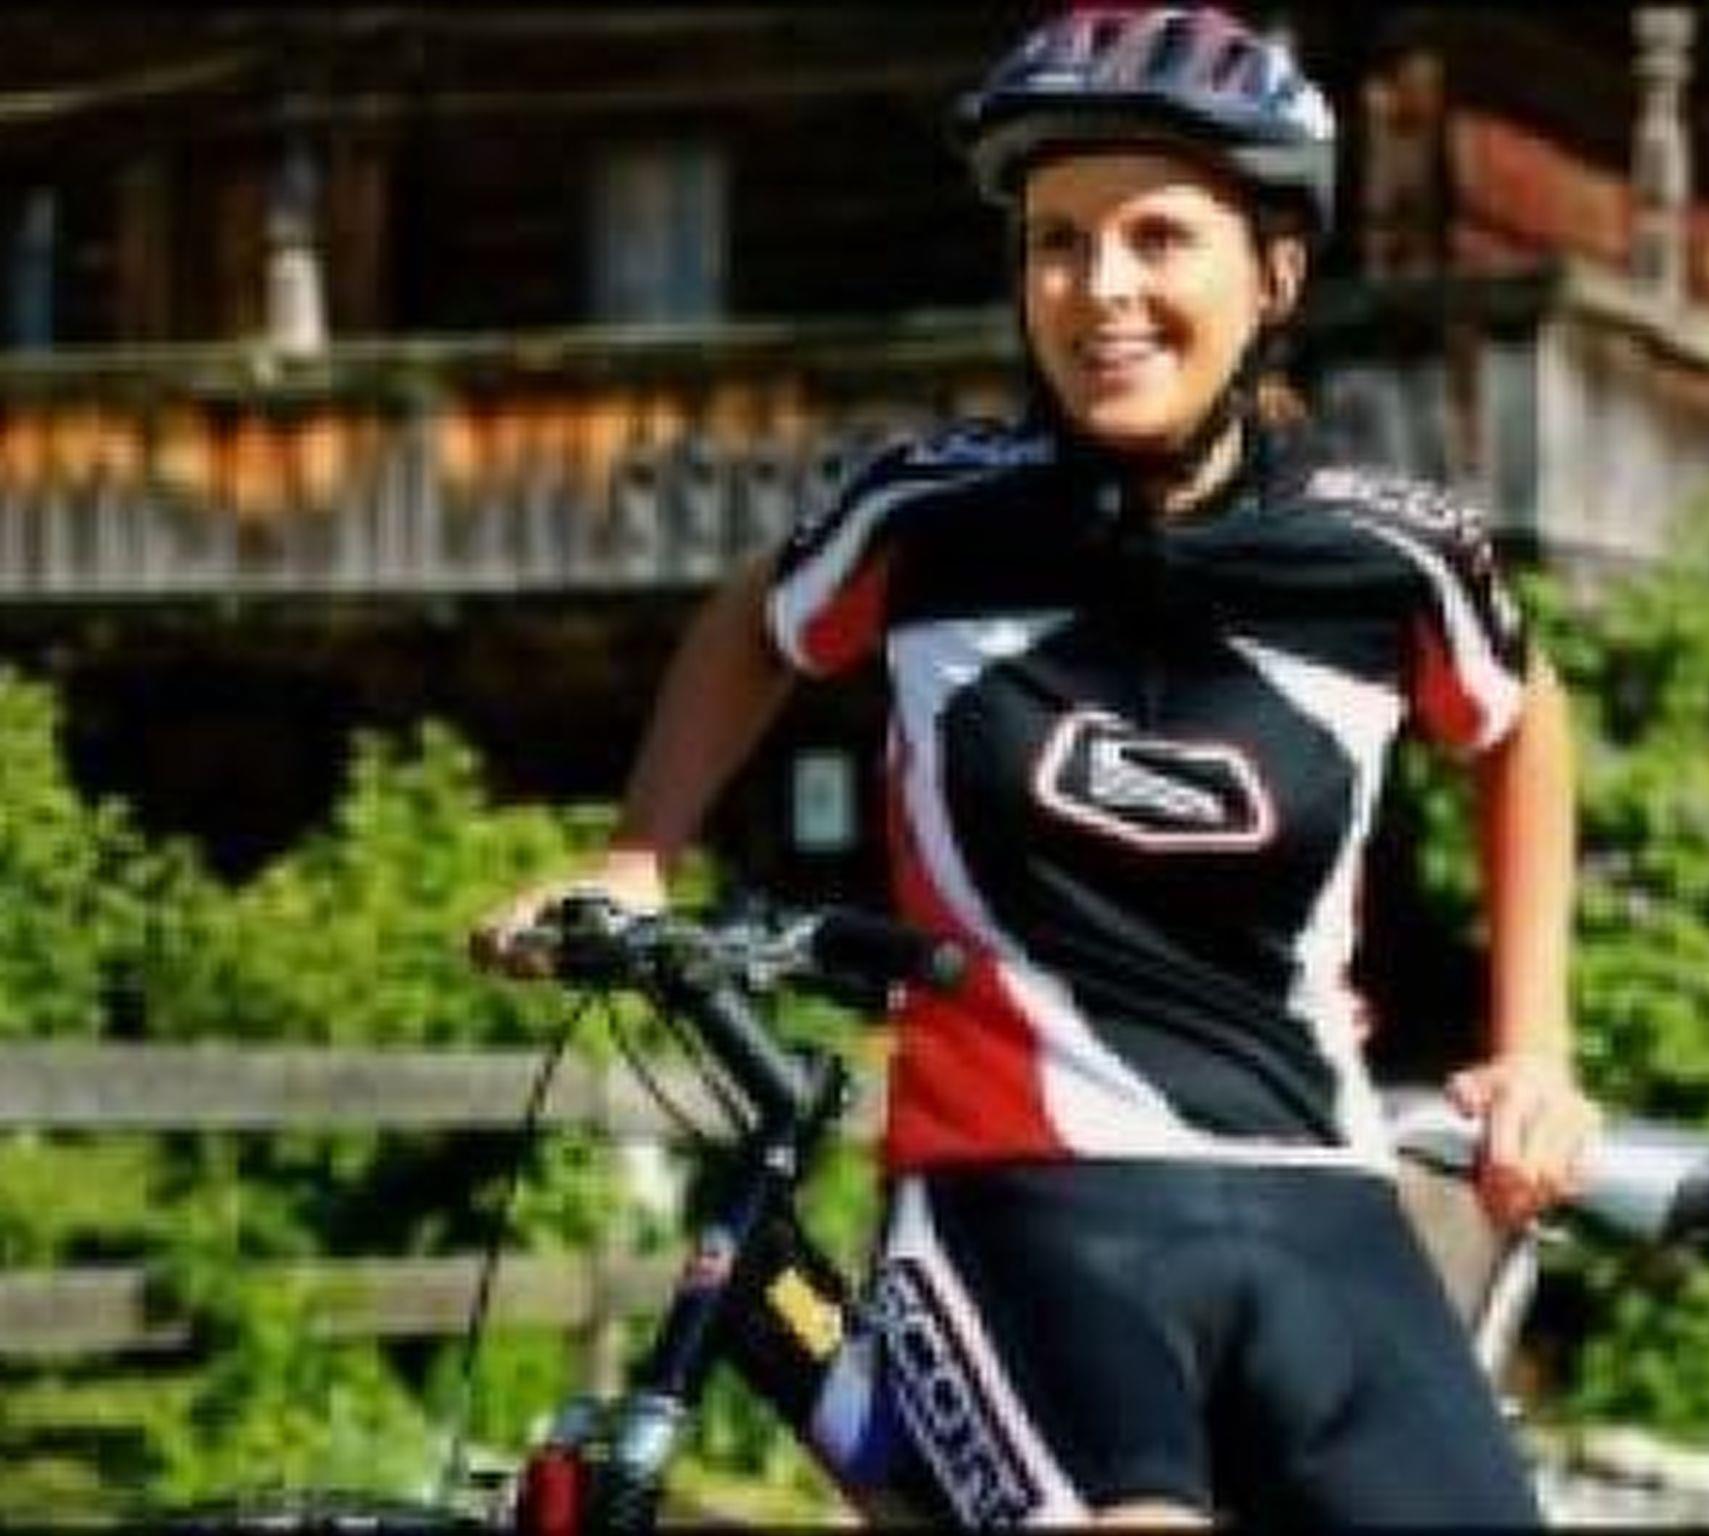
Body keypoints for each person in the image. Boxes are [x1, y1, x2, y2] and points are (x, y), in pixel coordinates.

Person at [474, 6, 1596, 1525]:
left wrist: (1536, 1049)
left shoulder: (1391, 556)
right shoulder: (930, 520)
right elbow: (757, 622)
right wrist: (637, 861)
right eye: (1058, 242)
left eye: (1158, 236)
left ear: (1275, 274)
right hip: (1015, 1196)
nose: (1101, 286)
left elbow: (1520, 719)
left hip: (1318, 1199)